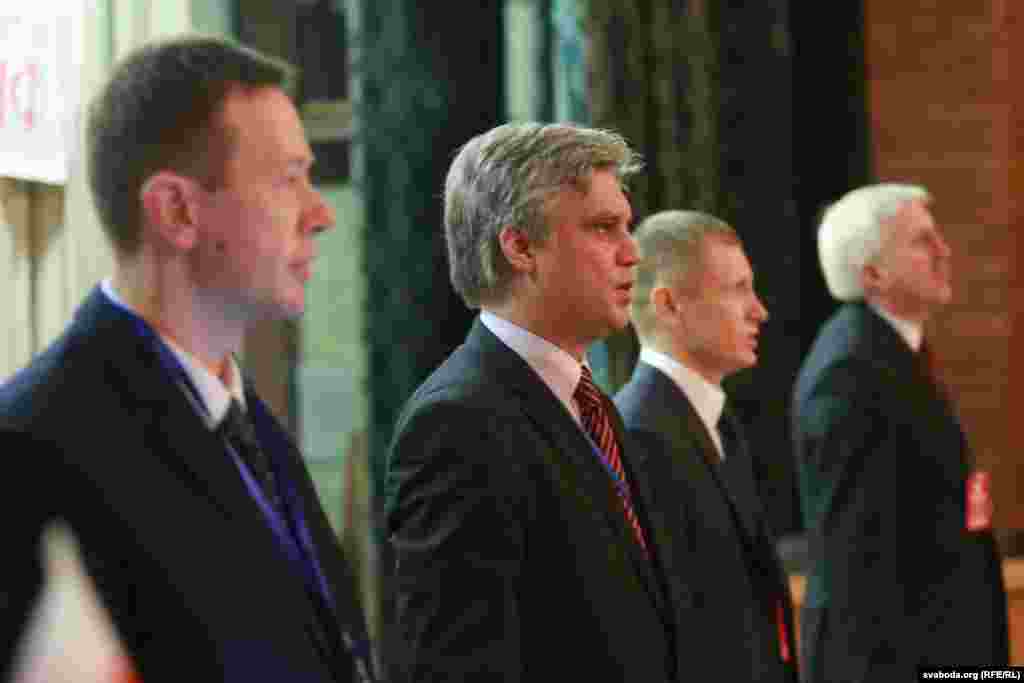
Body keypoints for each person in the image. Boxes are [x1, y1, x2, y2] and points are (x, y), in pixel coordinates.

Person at [0, 35, 374, 683]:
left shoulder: (247, 423)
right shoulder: (31, 445)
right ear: (177, 211)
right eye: (289, 179)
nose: (320, 214)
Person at [385, 122, 680, 681]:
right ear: (520, 247)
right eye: (603, 228)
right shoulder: (457, 424)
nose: (632, 252)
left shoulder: (591, 403)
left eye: (627, 226)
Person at [793, 183, 1008, 681]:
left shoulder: (892, 351)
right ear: (872, 274)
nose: (943, 251)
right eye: (922, 241)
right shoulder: (849, 370)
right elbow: (857, 565)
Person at [613, 210, 797, 683]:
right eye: (738, 289)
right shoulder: (639, 435)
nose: (759, 310)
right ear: (669, 304)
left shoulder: (719, 421)